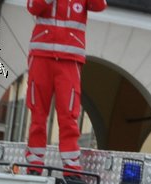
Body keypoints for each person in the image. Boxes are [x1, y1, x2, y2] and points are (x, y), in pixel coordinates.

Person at [24, 0, 107, 173]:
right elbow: (33, 7)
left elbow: (100, 5)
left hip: (70, 59)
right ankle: (34, 162)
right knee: (38, 112)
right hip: (42, 55)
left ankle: (71, 165)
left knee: (69, 114)